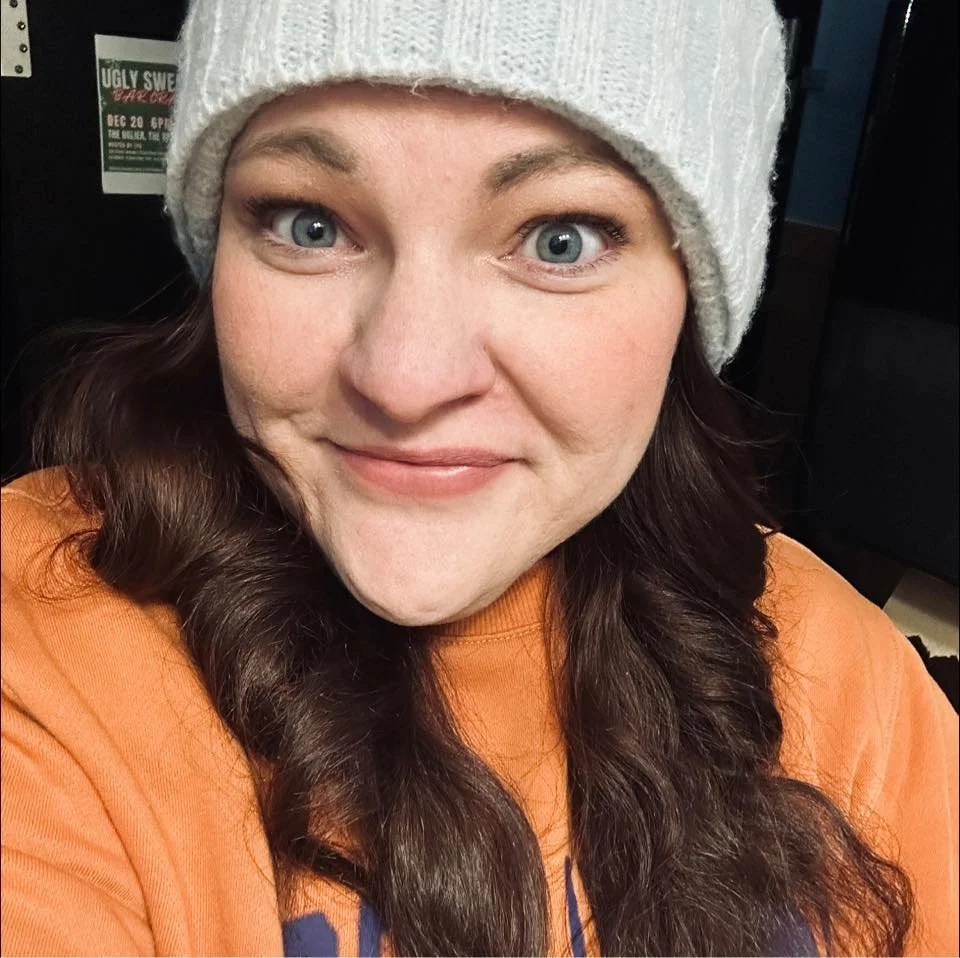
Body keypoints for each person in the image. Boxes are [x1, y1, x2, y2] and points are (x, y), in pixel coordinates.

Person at [1, 0, 956, 955]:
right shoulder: (43, 634)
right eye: (309, 224)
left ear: (694, 293)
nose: (405, 380)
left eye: (559, 239)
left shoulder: (834, 667)